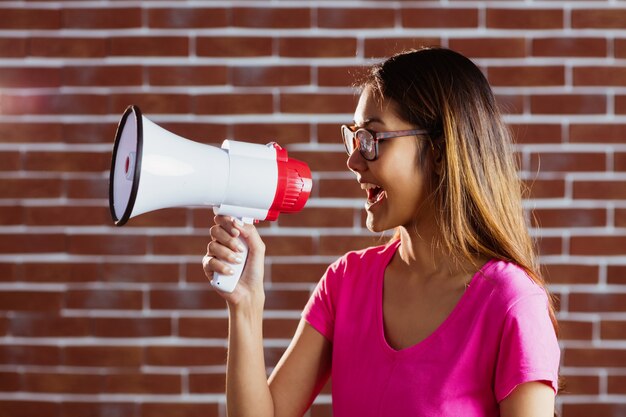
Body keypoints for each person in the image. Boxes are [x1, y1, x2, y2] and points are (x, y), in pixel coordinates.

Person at [202, 47, 561, 417]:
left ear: (439, 152)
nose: (353, 161)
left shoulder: (512, 305)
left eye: (372, 139)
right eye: (354, 138)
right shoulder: (346, 282)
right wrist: (245, 305)